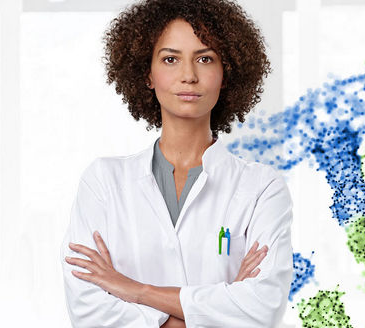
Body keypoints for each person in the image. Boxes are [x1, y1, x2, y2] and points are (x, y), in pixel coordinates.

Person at [60, 0, 292, 327]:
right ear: (147, 74)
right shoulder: (103, 182)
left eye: (205, 59)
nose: (188, 75)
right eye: (170, 59)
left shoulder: (261, 188)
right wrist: (218, 305)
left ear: (226, 74)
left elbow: (262, 307)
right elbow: (87, 308)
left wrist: (136, 290)